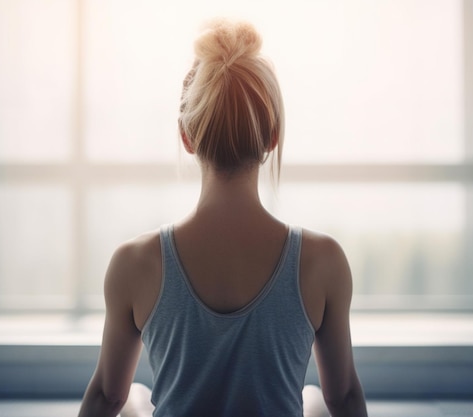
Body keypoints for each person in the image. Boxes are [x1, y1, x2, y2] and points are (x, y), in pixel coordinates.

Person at [78, 18, 368, 417]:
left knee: (132, 398)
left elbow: (106, 397)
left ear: (187, 135)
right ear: (273, 136)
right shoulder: (324, 261)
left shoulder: (134, 263)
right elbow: (345, 397)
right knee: (316, 399)